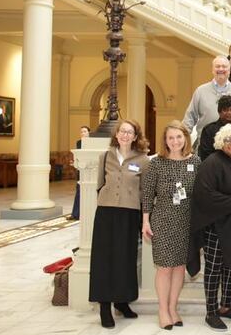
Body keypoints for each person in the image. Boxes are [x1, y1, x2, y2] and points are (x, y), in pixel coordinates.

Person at [189, 124, 231, 332]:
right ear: (220, 142)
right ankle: (211, 311)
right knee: (214, 269)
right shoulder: (212, 162)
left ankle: (226, 307)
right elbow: (204, 193)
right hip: (217, 225)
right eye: (227, 140)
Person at [90, 119, 151, 328]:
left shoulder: (143, 160)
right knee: (103, 259)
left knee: (125, 258)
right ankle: (104, 307)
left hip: (130, 214)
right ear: (117, 134)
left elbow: (145, 191)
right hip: (106, 213)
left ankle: (122, 301)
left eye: (130, 132)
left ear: (135, 137)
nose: (125, 135)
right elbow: (99, 185)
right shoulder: (105, 156)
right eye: (122, 131)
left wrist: (145, 216)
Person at [141, 121, 200, 330]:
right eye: (170, 138)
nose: (175, 141)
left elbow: (201, 194)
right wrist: (145, 221)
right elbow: (147, 194)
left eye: (178, 137)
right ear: (165, 141)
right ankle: (162, 310)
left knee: (180, 267)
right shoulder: (157, 163)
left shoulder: (196, 162)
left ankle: (173, 308)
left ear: (186, 138)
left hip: (186, 221)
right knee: (165, 268)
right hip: (163, 219)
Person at [183, 56, 231, 143]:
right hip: (205, 144)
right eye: (217, 66)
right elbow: (189, 118)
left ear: (229, 70)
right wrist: (183, 139)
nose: (221, 69)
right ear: (212, 70)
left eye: (224, 66)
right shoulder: (200, 91)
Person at [69, 125, 91, 220]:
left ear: (89, 133)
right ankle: (75, 214)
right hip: (80, 170)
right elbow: (77, 156)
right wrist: (75, 162)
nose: (83, 133)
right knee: (79, 192)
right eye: (81, 132)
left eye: (85, 131)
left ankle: (88, 213)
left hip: (90, 170)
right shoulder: (78, 143)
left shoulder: (92, 143)